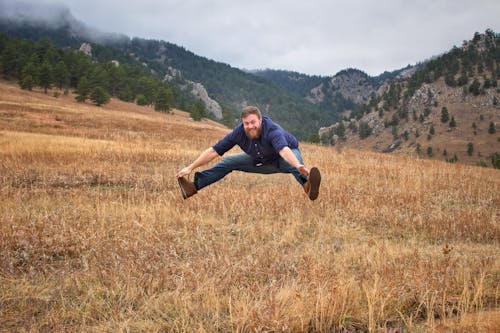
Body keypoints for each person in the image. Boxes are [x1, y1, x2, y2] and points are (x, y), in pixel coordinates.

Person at [175, 106, 321, 200]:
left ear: (260, 120)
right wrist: (190, 167)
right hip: (261, 160)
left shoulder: (272, 130)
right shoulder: (238, 133)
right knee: (228, 162)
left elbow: (283, 150)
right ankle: (193, 187)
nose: (250, 126)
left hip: (283, 158)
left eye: (253, 122)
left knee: (294, 160)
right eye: (246, 123)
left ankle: (308, 186)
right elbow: (214, 151)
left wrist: (298, 165)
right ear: (242, 122)